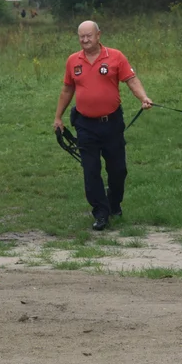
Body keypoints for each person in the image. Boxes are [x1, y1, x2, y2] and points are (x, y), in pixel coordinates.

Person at [54, 21, 153, 231]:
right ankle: (101, 213)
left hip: (112, 123)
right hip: (85, 125)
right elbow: (66, 90)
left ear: (98, 35)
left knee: (118, 170)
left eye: (88, 36)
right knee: (91, 170)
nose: (85, 40)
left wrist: (143, 98)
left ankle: (114, 204)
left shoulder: (116, 56)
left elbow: (132, 80)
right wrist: (58, 118)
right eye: (81, 36)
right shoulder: (73, 61)